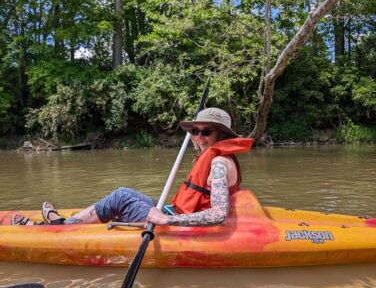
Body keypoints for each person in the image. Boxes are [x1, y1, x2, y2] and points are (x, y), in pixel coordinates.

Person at [12, 108, 253, 227]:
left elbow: (219, 215)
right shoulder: (215, 158)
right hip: (176, 212)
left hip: (179, 223)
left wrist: (166, 221)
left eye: (206, 132)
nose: (199, 138)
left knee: (120, 198)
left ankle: (59, 227)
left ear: (221, 135)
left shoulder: (219, 163)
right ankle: (65, 224)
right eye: (195, 131)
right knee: (126, 194)